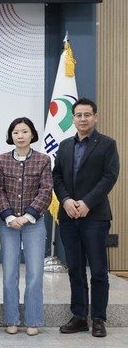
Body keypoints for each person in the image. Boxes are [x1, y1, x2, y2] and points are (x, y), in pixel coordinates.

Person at [52, 98, 119, 338]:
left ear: (95, 117)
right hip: (69, 216)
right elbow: (57, 176)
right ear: (72, 118)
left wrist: (88, 202)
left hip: (95, 217)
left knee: (98, 270)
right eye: (78, 115)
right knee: (75, 269)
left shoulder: (107, 144)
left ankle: (99, 318)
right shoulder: (64, 145)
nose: (83, 119)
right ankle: (79, 316)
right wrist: (66, 200)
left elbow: (110, 176)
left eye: (87, 115)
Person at [0, 117, 52, 337]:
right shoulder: (1, 160)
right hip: (8, 224)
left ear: (32, 134)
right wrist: (9, 217)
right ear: (11, 136)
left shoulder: (43, 160)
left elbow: (46, 191)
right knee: (9, 274)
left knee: (35, 274)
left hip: (34, 223)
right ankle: (11, 319)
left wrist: (27, 217)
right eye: (16, 132)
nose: (20, 136)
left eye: (24, 131)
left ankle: (33, 320)